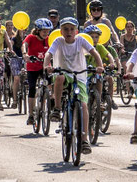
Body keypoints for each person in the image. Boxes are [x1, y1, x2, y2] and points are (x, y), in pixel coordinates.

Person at [44, 17, 103, 155]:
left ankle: (84, 140)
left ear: (76, 31)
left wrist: (100, 66)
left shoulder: (81, 41)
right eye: (65, 29)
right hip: (63, 73)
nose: (69, 32)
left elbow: (94, 52)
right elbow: (49, 54)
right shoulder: (58, 41)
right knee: (59, 77)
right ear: (61, 31)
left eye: (71, 29)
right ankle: (57, 109)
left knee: (83, 105)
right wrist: (47, 65)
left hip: (80, 76)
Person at [23, 18, 52, 125]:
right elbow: (24, 45)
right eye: (43, 30)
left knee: (51, 84)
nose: (46, 33)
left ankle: (48, 101)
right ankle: (31, 115)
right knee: (31, 88)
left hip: (45, 66)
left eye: (47, 31)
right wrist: (25, 54)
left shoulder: (49, 39)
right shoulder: (31, 37)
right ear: (38, 30)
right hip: (33, 67)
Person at [83, 25, 118, 110]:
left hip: (96, 72)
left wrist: (112, 63)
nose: (94, 39)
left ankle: (99, 102)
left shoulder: (99, 47)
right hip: (84, 73)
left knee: (100, 78)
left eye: (96, 37)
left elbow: (108, 55)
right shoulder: (82, 46)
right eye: (92, 37)